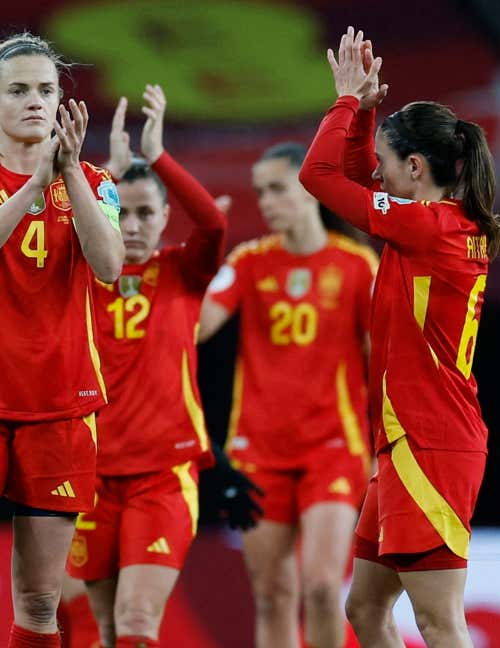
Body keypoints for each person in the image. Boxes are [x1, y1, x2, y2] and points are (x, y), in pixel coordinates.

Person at [299, 28, 500, 648]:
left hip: (432, 445)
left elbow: (320, 175)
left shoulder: (429, 229)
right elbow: (359, 177)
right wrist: (365, 117)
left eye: (389, 168)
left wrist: (342, 103)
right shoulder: (437, 222)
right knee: (365, 610)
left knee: (440, 622)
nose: (378, 178)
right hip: (406, 441)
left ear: (416, 169)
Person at [0, 32, 125, 648]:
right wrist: (32, 189)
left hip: (61, 408)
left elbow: (111, 265)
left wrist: (69, 178)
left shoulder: (97, 181)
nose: (35, 101)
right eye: (18, 90)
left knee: (39, 604)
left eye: (46, 90)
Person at [54, 83, 238, 648]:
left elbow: (212, 225)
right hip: (91, 474)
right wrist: (101, 180)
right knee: (103, 627)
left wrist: (157, 157)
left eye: (145, 214)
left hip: (162, 475)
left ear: (163, 219)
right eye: (122, 214)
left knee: (136, 623)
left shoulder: (183, 272)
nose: (131, 226)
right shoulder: (86, 272)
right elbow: (64, 228)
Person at [197, 140, 377, 648]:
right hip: (258, 451)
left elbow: (384, 364)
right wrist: (200, 246)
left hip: (334, 448)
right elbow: (197, 326)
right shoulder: (248, 261)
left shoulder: (359, 266)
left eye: (277, 189)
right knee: (273, 593)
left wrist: (385, 448)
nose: (266, 202)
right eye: (261, 192)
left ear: (309, 191)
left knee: (322, 587)